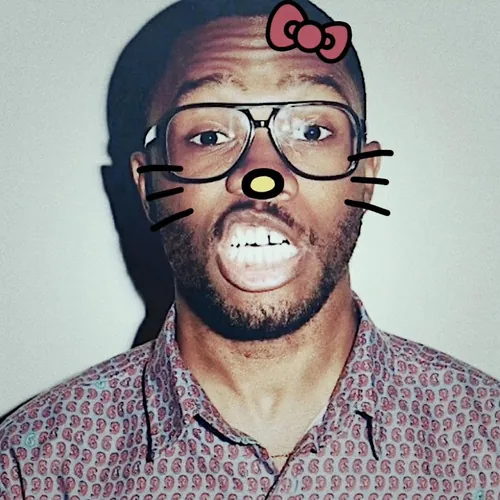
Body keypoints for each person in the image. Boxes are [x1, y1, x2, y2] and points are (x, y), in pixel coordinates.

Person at [1, 0, 499, 498]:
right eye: (209, 135)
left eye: (311, 131)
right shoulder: (33, 468)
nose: (262, 176)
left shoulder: (487, 443)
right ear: (149, 185)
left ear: (365, 177)